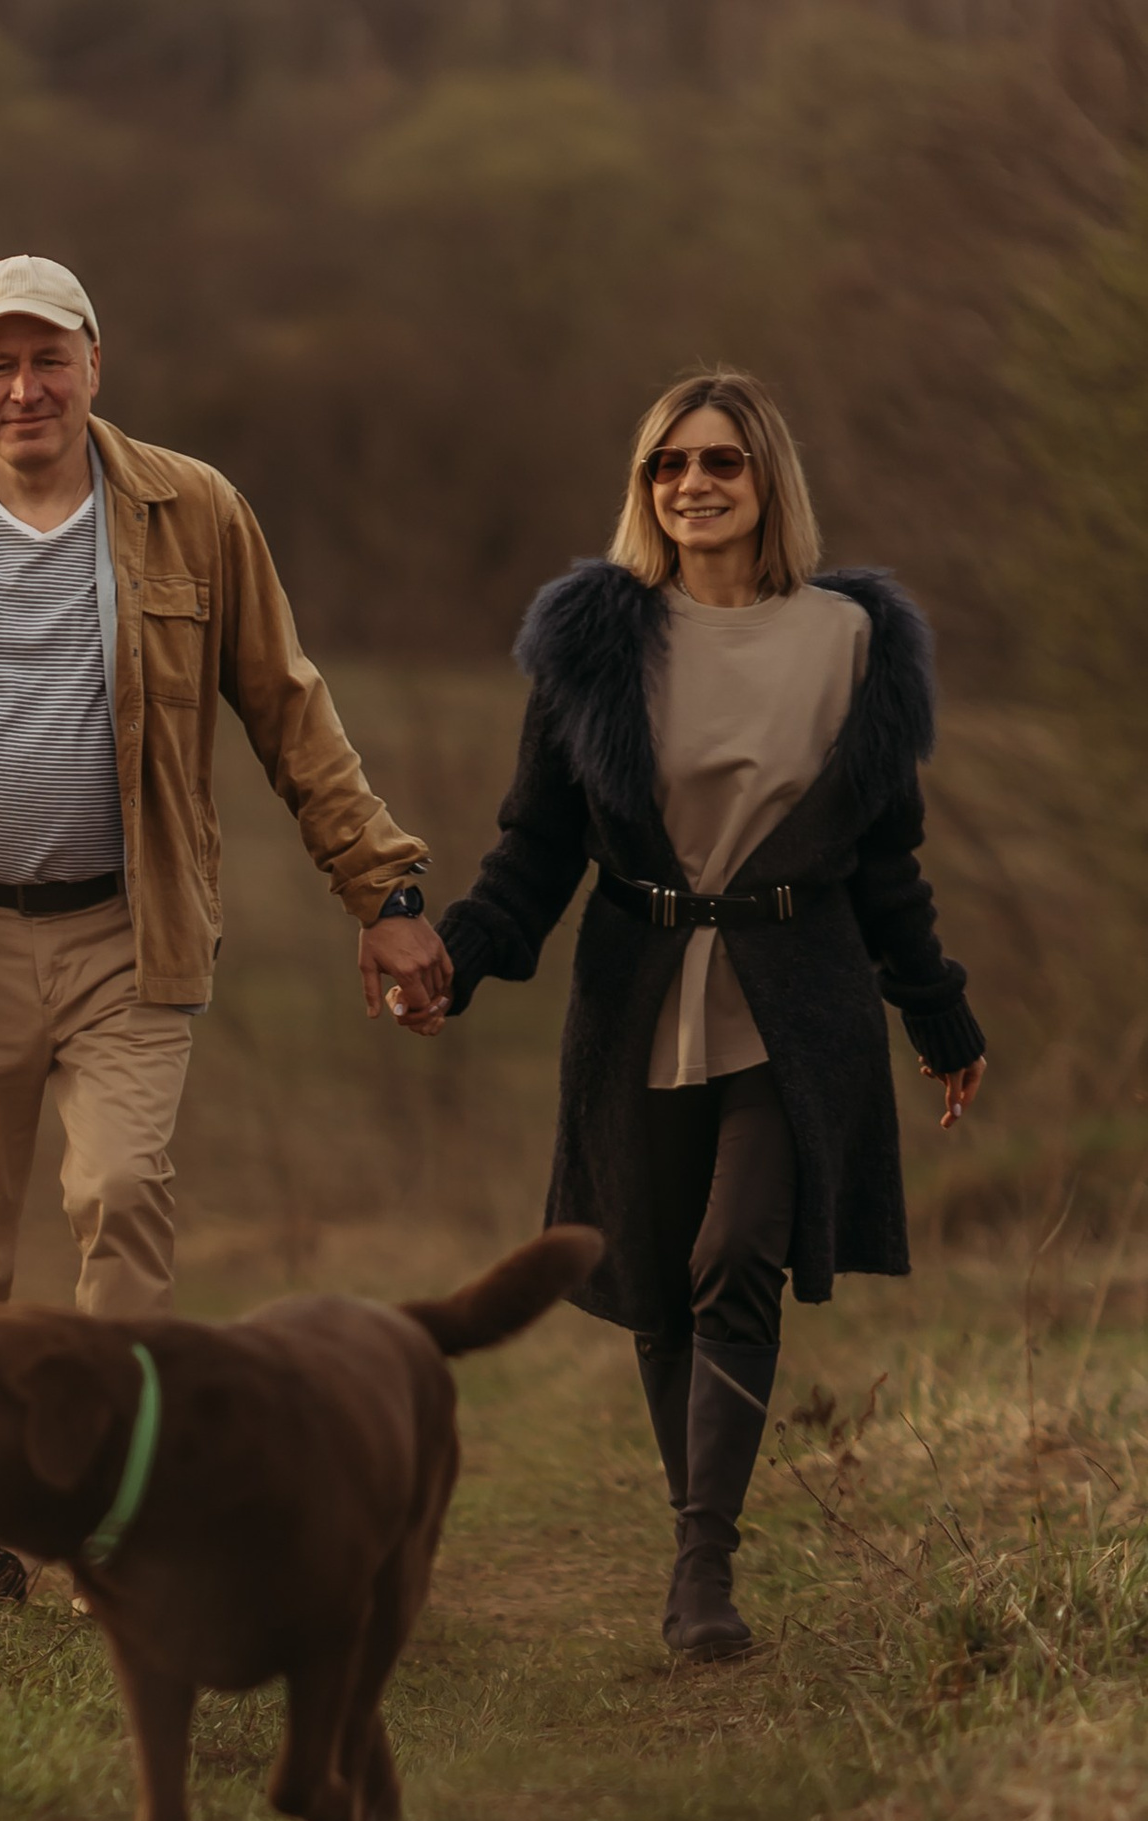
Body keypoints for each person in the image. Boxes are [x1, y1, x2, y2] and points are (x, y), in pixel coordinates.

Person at [0, 253, 448, 1602]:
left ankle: (120, 1515)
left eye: (48, 359)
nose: (26, 388)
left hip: (128, 938)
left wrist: (387, 893)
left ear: (92, 363)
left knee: (120, 1196)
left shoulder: (192, 513)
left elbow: (288, 709)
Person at [430, 366, 986, 1662]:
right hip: (639, 996)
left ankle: (703, 1569)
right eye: (668, 466)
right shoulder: (594, 642)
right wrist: (454, 960)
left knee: (738, 1247)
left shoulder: (853, 646)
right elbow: (536, 847)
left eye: (719, 463)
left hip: (803, 1001)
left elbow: (887, 862)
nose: (692, 485)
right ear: (647, 489)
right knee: (660, 1284)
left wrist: (938, 1014)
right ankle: (696, 1552)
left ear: (766, 480)